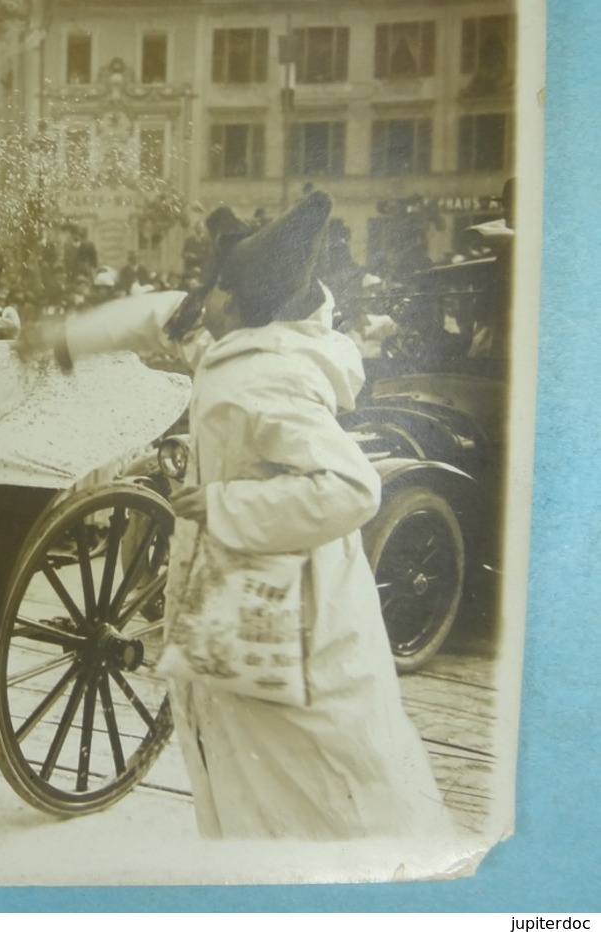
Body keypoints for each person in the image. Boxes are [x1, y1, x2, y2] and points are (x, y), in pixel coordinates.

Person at [23, 192, 448, 840]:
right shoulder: (245, 341)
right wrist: (66, 337)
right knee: (251, 764)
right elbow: (162, 315)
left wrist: (227, 505)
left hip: (289, 617)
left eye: (216, 288)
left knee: (301, 779)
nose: (204, 299)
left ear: (242, 303)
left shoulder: (261, 381)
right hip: (248, 603)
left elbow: (351, 487)